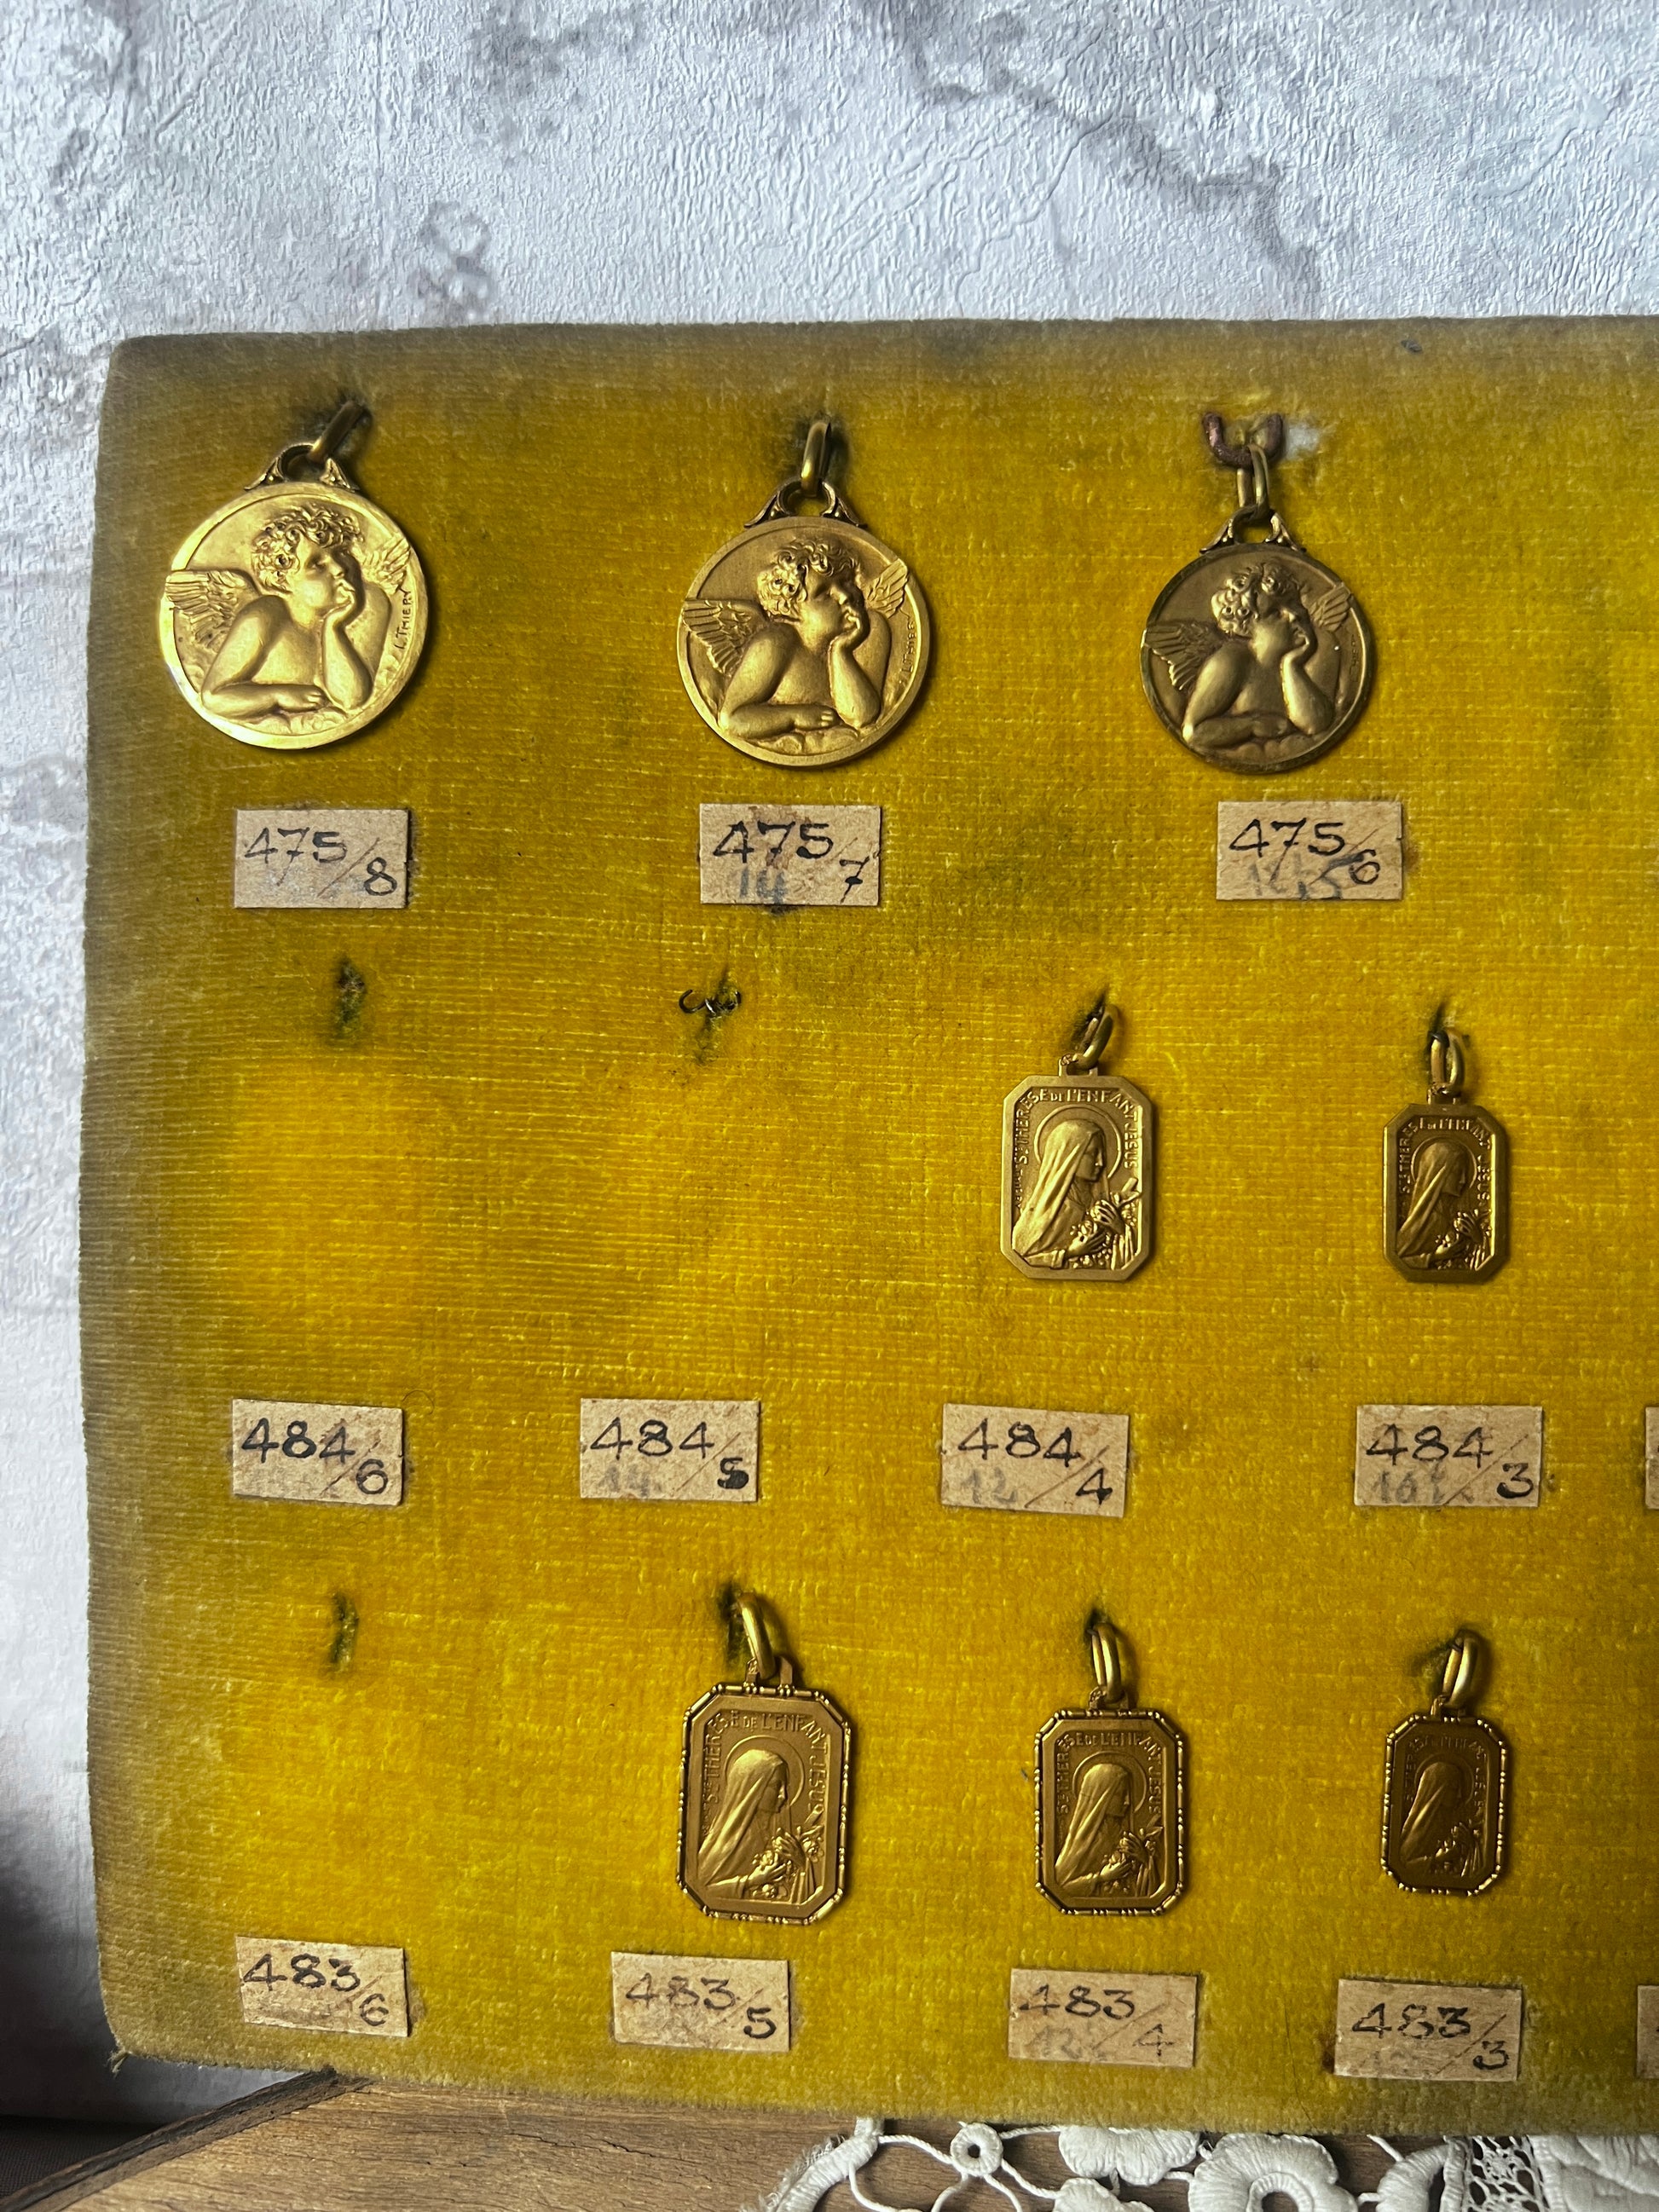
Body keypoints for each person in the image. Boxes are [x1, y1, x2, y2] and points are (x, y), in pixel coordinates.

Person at [683, 538, 899, 749]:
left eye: (846, 582)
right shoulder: (775, 644)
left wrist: (840, 650)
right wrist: (793, 716)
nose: (844, 596)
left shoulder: (871, 627)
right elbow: (732, 719)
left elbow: (862, 717)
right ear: (791, 608)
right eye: (824, 593)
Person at [199, 501, 390, 726]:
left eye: (341, 553)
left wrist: (333, 626)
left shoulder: (369, 602)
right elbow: (213, 697)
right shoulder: (264, 616)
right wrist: (276, 696)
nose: (340, 569)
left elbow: (351, 699)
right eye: (317, 564)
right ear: (283, 580)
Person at [1151, 560, 1341, 757]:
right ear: (1246, 628)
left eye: (1294, 603)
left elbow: (1316, 724)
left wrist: (1291, 666)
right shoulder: (1231, 661)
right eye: (1275, 613)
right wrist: (1252, 725)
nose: (1294, 615)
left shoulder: (1320, 647)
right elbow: (1194, 731)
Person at [697, 1742, 813, 1903]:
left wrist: (801, 1862)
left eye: (785, 1786)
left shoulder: (774, 1832)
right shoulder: (727, 1841)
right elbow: (702, 1889)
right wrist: (751, 1882)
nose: (783, 1795)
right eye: (776, 1786)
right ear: (753, 1788)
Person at [1012, 1114, 1130, 1269]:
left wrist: (1120, 1228)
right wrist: (1070, 1253)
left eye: (1102, 1154)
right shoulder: (1048, 1212)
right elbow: (1019, 1259)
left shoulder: (1100, 1204)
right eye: (1093, 1153)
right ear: (1070, 1156)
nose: (1100, 1162)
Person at [1055, 1756, 1157, 1897]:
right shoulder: (1082, 1840)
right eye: (1121, 1794)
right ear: (1102, 1796)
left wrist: (1144, 1859)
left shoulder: (1124, 1835)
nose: (1127, 1801)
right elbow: (1061, 1889)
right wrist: (1101, 1878)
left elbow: (1150, 1892)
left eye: (1128, 1794)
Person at [1396, 1136, 1482, 1268]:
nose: (1463, 1180)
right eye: (1458, 1172)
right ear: (1439, 1174)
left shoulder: (1458, 1214)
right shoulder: (1425, 1219)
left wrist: (1478, 1238)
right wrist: (1435, 1257)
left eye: (1465, 1173)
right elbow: (1397, 1261)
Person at [1397, 1759, 1481, 1880]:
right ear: (1438, 1789)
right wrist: (1436, 1859)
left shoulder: (1456, 1823)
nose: (1459, 1796)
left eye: (1459, 1789)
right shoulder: (1421, 1827)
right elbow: (1405, 1867)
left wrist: (1469, 1845)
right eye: (1454, 1789)